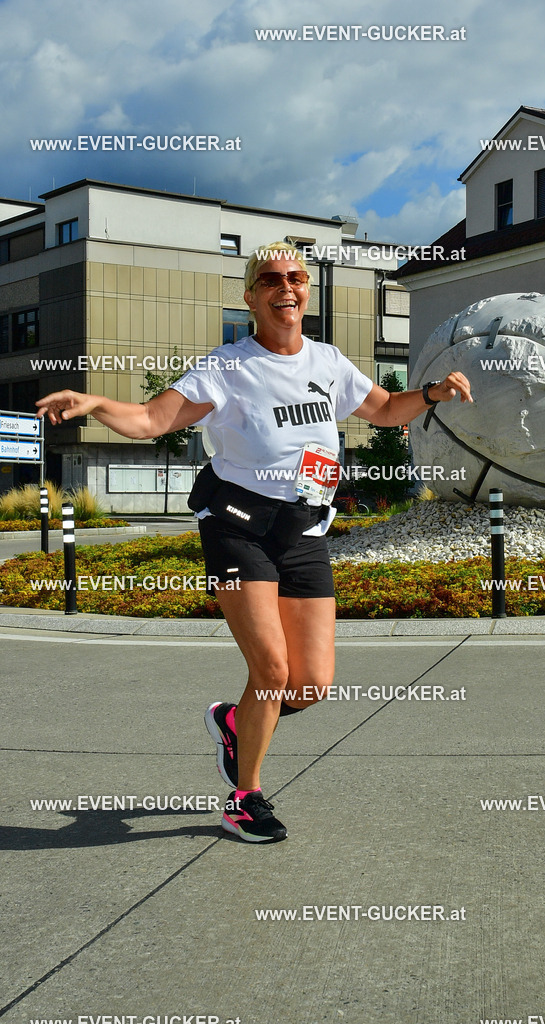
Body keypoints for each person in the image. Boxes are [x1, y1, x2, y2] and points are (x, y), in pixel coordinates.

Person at [36, 241, 472, 844]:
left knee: (312, 684)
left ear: (307, 292)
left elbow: (384, 410)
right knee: (270, 668)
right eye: (270, 279)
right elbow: (151, 420)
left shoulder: (329, 362)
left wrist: (431, 395)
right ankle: (246, 796)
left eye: (295, 278)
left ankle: (238, 724)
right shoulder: (227, 368)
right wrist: (95, 403)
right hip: (238, 525)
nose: (285, 287)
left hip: (303, 529)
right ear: (250, 296)